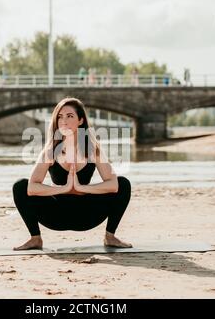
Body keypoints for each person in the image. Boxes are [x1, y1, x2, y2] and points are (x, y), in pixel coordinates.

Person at [12, 97, 132, 250]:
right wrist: (64, 188)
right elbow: (31, 188)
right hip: (56, 215)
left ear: (80, 120)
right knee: (19, 186)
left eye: (70, 116)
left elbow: (114, 184)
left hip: (86, 215)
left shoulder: (93, 150)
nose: (64, 121)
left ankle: (110, 236)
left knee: (123, 183)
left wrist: (81, 188)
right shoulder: (49, 152)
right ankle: (35, 238)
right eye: (60, 117)